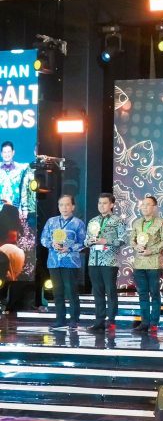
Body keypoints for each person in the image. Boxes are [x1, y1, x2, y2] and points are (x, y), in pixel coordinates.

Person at [40, 194, 86, 331]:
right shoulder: (51, 221)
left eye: (67, 204)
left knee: (71, 291)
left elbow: (83, 242)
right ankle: (60, 319)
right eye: (61, 205)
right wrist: (51, 244)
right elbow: (43, 239)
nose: (64, 207)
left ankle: (74, 319)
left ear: (73, 207)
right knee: (57, 292)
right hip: (54, 262)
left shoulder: (78, 223)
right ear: (58, 207)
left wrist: (69, 247)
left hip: (70, 262)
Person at [85, 192, 127, 333]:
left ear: (112, 204)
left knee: (110, 291)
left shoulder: (117, 221)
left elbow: (122, 240)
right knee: (97, 292)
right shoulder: (93, 221)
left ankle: (111, 320)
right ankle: (99, 321)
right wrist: (90, 241)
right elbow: (85, 241)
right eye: (99, 203)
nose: (101, 206)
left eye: (104, 203)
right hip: (94, 261)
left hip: (109, 261)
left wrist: (106, 241)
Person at [130, 195, 163, 334]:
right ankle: (144, 322)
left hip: (154, 263)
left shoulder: (161, 223)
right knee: (142, 294)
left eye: (148, 204)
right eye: (143, 204)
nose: (145, 207)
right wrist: (136, 246)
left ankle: (154, 323)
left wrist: (151, 250)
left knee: (154, 293)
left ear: (154, 207)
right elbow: (132, 239)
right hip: (139, 263)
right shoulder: (137, 223)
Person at [0, 141, 35, 219]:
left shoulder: (21, 168)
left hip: (15, 209)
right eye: (4, 152)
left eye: (9, 152)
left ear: (13, 152)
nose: (7, 154)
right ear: (1, 154)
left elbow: (24, 189)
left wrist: (24, 209)